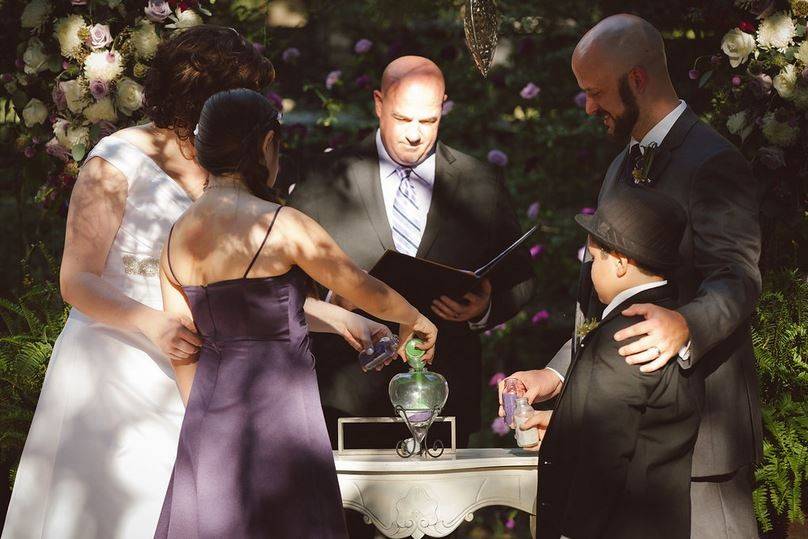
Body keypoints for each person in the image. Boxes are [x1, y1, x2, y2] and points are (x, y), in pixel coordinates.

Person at [2, 26, 382, 539]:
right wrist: (152, 324)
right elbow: (76, 279)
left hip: (208, 378)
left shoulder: (233, 175)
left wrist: (338, 316)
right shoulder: (116, 161)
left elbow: (239, 290)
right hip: (117, 370)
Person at [504, 14, 762, 538]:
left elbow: (738, 277)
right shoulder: (620, 164)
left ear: (638, 80)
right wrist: (559, 376)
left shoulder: (714, 162)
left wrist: (685, 324)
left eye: (596, 92)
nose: (588, 106)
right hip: (630, 450)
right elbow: (608, 303)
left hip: (702, 448)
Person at [153, 88, 437, 538]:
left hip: (209, 417)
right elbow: (360, 286)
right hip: (280, 411)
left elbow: (182, 348)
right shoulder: (280, 225)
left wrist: (208, 430)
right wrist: (414, 317)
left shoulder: (174, 237)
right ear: (266, 144)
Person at [287, 56, 536, 452]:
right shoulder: (326, 178)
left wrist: (485, 306)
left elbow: (519, 279)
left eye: (429, 120)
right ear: (378, 104)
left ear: (443, 108)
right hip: (345, 394)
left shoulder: (479, 183)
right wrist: (331, 302)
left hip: (444, 392)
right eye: (403, 119)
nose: (416, 135)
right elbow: (283, 282)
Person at [526, 189, 700, 539]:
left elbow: (604, 456)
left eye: (595, 258)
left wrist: (571, 533)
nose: (590, 269)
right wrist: (564, 428)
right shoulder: (669, 322)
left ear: (620, 262)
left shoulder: (624, 335)